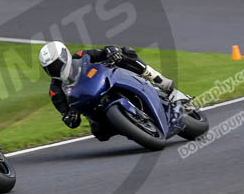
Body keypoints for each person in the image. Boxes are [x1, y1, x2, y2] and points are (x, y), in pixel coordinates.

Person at [38, 41, 180, 141]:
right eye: (50, 68)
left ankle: (158, 79)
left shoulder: (80, 56)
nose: (55, 70)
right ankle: (135, 128)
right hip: (94, 108)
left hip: (104, 82)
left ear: (64, 56)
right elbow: (68, 119)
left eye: (56, 65)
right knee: (100, 134)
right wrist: (71, 116)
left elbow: (103, 51)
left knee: (126, 53)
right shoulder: (55, 91)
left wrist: (113, 52)